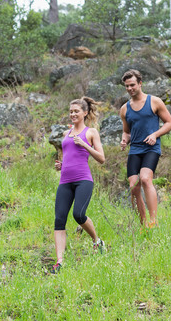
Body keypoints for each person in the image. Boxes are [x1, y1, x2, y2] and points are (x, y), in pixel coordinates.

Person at [52, 97, 106, 274]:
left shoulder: (91, 132)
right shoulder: (66, 134)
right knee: (59, 219)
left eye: (76, 111)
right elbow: (67, 155)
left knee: (78, 214)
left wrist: (85, 144)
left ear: (84, 113)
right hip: (65, 181)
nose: (72, 114)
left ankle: (97, 241)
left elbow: (101, 159)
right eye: (71, 111)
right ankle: (59, 262)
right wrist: (61, 165)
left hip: (83, 179)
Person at [119, 69, 171, 228]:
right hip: (135, 150)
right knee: (133, 186)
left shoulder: (154, 102)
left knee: (145, 179)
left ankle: (153, 221)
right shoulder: (124, 109)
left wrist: (155, 135)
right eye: (127, 86)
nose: (130, 89)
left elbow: (169, 123)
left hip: (151, 148)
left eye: (132, 85)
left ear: (140, 83)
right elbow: (127, 132)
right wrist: (124, 140)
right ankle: (143, 224)